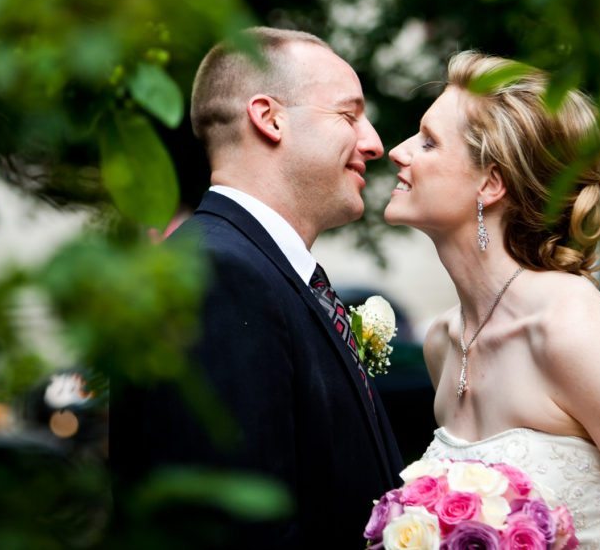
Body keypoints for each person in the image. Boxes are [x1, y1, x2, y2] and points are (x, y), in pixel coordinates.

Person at [384, 51, 600, 549]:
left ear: (490, 183)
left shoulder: (567, 325)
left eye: (428, 141)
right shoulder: (444, 341)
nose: (398, 151)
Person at [112, 28, 403, 546]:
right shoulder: (216, 275)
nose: (374, 143)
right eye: (349, 114)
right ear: (269, 118)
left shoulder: (263, 269)